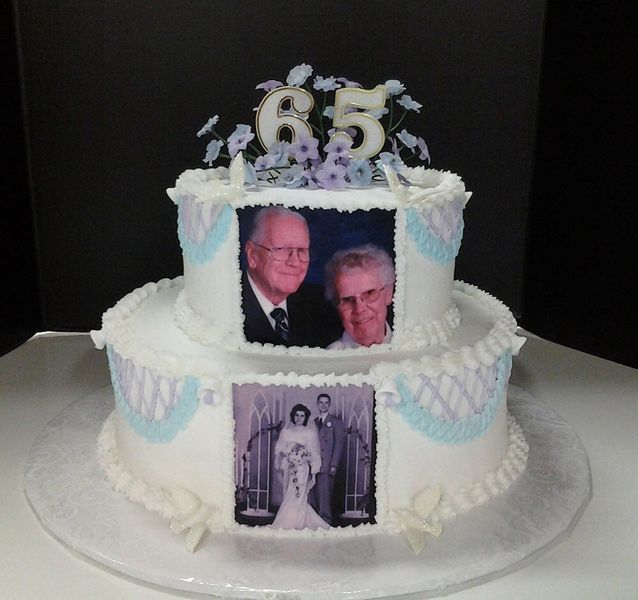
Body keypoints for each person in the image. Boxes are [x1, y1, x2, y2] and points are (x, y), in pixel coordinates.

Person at [242, 206, 341, 347]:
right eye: (281, 249)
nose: (295, 262)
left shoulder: (322, 306)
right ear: (252, 255)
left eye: (302, 250)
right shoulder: (227, 306)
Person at [324, 244, 395, 348]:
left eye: (369, 293)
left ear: (388, 294)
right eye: (348, 300)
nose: (359, 309)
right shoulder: (329, 356)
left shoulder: (410, 346)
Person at [272, 404, 329, 530]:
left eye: (302, 416)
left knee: (300, 494)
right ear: (293, 416)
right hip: (289, 467)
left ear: (305, 417)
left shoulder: (309, 433)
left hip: (303, 468)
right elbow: (280, 449)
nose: (299, 418)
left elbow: (313, 452)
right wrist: (289, 454)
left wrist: (308, 461)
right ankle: (290, 519)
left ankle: (297, 521)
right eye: (297, 415)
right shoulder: (286, 432)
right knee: (289, 492)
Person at [310, 393, 345, 525]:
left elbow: (338, 445)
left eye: (326, 403)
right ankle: (315, 522)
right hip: (314, 465)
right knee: (313, 495)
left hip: (327, 465)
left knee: (324, 496)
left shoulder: (336, 422)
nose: (323, 405)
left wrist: (334, 465)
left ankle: (325, 523)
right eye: (321, 402)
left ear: (329, 405)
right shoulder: (313, 422)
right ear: (317, 404)